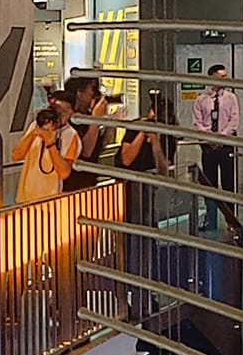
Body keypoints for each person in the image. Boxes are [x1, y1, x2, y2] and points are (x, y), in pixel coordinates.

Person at [117, 90, 176, 318]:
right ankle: (128, 295)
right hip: (126, 192)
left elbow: (163, 169)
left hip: (146, 195)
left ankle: (145, 292)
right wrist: (142, 131)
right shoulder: (135, 128)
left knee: (145, 242)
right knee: (128, 243)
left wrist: (156, 142)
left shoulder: (169, 135)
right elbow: (126, 159)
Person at [193, 67, 241, 228]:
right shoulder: (201, 99)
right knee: (209, 183)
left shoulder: (231, 98)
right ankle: (211, 218)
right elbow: (198, 123)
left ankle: (230, 219)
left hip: (226, 146)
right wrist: (210, 139)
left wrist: (221, 137)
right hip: (208, 147)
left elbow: (234, 122)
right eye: (221, 76)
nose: (224, 79)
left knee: (228, 183)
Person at [16, 91, 79, 203]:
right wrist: (35, 132)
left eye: (65, 110)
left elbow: (64, 173)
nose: (61, 114)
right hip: (25, 198)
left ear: (72, 113)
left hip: (51, 200)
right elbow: (16, 155)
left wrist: (51, 144)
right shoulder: (36, 126)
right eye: (57, 109)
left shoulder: (71, 135)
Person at [65, 76, 117, 191]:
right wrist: (95, 119)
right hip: (73, 184)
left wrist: (110, 124)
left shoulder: (89, 115)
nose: (95, 95)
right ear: (80, 93)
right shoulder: (70, 119)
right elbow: (85, 151)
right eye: (92, 90)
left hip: (90, 180)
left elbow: (100, 146)